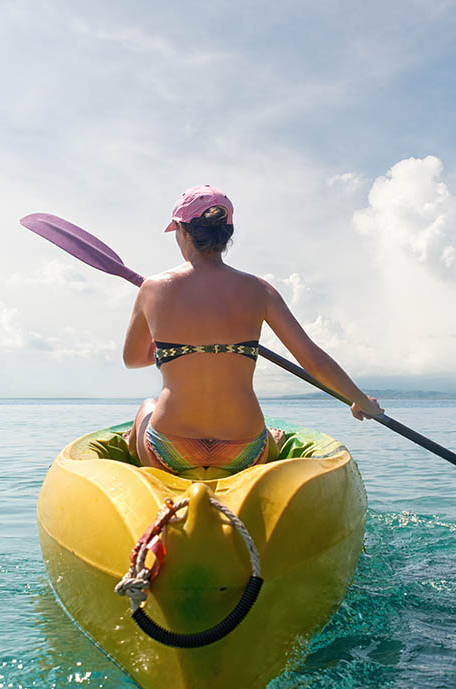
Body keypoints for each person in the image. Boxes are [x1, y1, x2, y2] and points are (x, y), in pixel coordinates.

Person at [122, 184, 383, 474]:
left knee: (147, 405)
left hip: (171, 449)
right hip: (244, 448)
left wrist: (170, 348)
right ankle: (271, 441)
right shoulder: (260, 290)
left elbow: (133, 360)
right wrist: (360, 400)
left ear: (184, 232)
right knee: (260, 430)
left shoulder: (153, 289)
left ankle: (136, 452)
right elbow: (314, 361)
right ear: (226, 234)